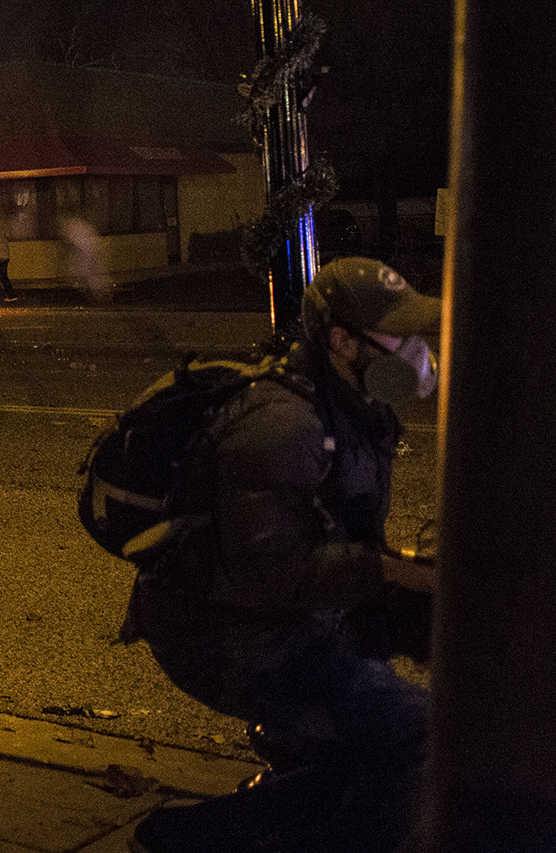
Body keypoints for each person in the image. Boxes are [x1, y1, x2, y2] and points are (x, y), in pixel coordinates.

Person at [123, 257, 438, 853]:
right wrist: (405, 574)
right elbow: (271, 575)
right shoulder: (285, 423)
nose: (414, 351)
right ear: (344, 341)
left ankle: (188, 835)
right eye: (398, 336)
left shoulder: (353, 407)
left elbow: (333, 530)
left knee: (369, 743)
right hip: (226, 638)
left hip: (275, 621)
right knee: (419, 733)